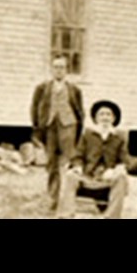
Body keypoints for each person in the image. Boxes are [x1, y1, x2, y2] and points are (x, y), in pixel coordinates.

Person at [30, 55, 85, 213]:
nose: (59, 70)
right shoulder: (42, 88)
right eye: (56, 67)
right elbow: (34, 108)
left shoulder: (74, 89)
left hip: (69, 125)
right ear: (51, 69)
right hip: (49, 127)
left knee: (70, 162)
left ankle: (69, 200)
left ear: (67, 70)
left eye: (62, 67)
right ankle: (52, 199)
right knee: (51, 163)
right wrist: (37, 128)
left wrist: (78, 130)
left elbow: (80, 111)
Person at [57, 100, 129, 219]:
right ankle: (65, 215)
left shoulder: (119, 137)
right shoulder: (88, 135)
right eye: (101, 114)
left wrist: (115, 170)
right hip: (88, 176)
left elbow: (124, 159)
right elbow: (78, 155)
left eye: (108, 114)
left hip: (108, 178)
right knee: (70, 176)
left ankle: (111, 216)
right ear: (96, 118)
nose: (105, 118)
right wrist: (78, 166)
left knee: (121, 178)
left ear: (114, 119)